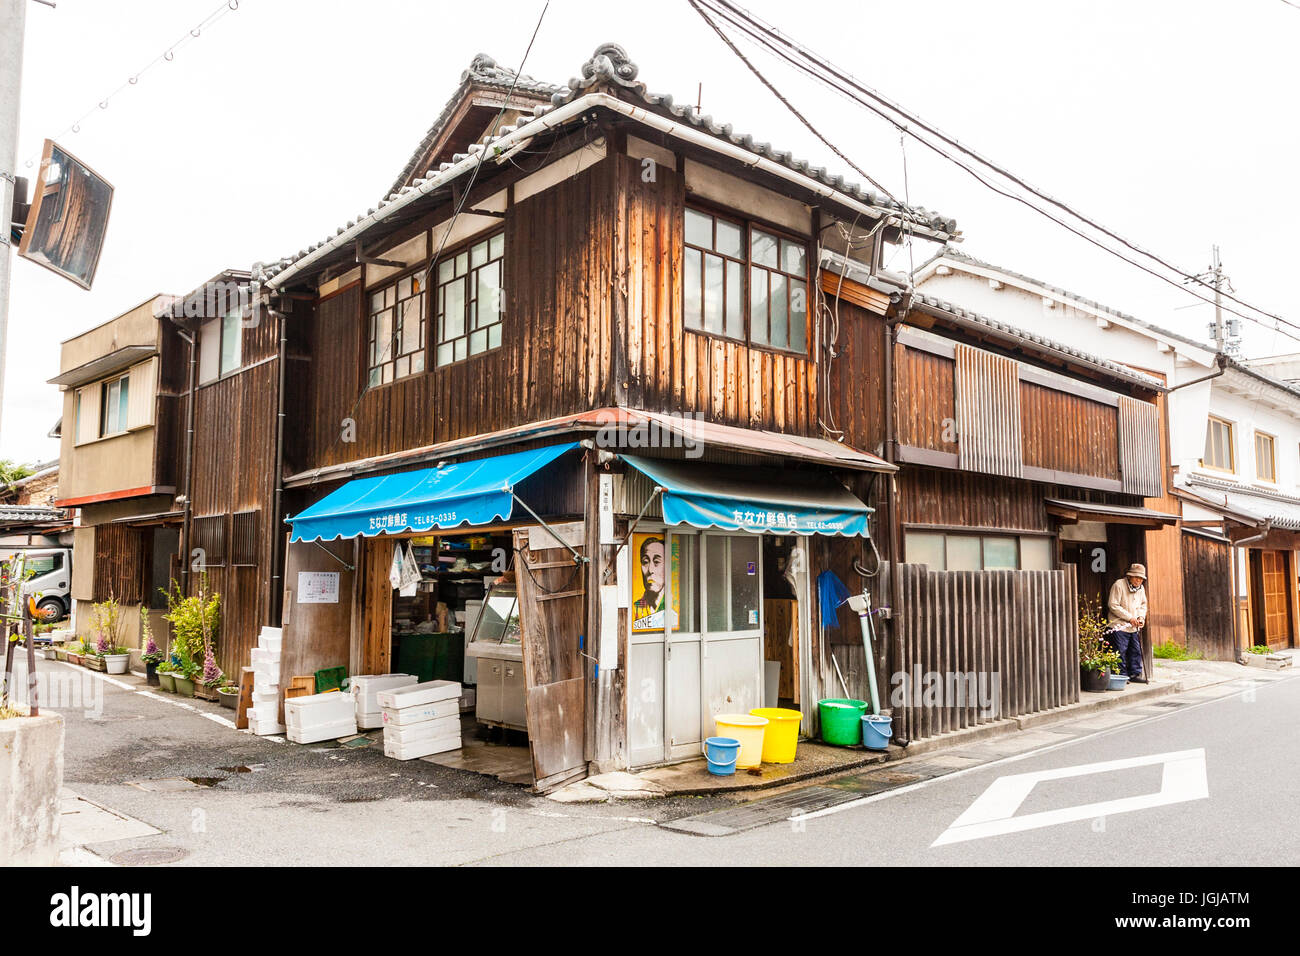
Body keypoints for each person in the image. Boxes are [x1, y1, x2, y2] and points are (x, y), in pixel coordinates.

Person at [1107, 563, 1149, 684]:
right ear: (1129, 576)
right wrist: (1130, 617)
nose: (1138, 580)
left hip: (1134, 626)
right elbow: (1113, 605)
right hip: (1119, 625)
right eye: (1136, 577)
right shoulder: (1119, 585)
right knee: (1120, 651)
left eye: (1141, 578)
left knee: (1135, 651)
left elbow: (1143, 604)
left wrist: (1141, 617)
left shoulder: (1141, 588)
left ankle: (1134, 674)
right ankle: (1122, 676)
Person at [632, 535, 666, 628]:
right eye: (645, 562)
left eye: (657, 562)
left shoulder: (673, 605)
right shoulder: (635, 607)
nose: (650, 569)